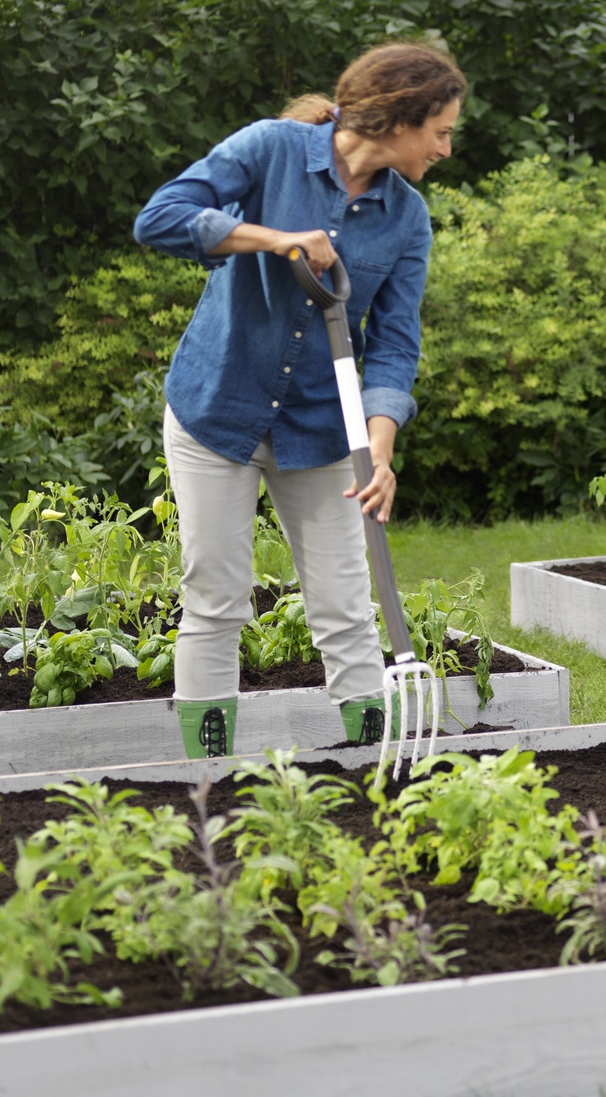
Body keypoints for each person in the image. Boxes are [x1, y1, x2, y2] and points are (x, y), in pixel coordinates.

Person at [132, 43, 462, 758]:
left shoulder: (406, 219)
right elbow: (160, 218)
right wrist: (275, 239)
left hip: (321, 428)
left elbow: (396, 344)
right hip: (217, 409)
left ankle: (376, 765)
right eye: (440, 130)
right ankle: (209, 774)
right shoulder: (272, 149)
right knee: (217, 595)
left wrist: (379, 447)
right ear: (400, 118)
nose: (445, 147)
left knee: (346, 606)